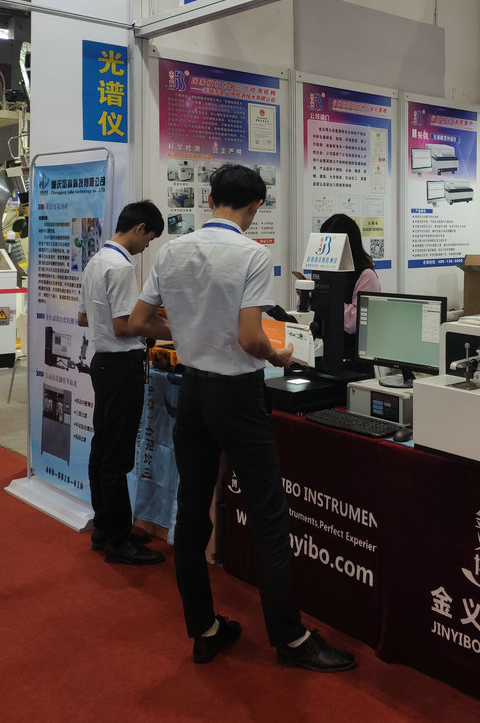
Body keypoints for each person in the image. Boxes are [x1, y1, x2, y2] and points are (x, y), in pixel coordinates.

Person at [128, 164, 356, 673]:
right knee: (268, 515)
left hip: (193, 392)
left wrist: (189, 331)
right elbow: (252, 338)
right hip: (238, 394)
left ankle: (204, 629)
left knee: (192, 511)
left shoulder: (171, 251)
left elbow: (140, 321)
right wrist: (280, 355)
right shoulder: (253, 254)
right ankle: (290, 638)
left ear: (210, 199)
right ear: (254, 207)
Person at [78, 200, 171, 565]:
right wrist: (174, 330)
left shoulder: (96, 261)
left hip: (103, 364)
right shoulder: (120, 266)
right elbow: (125, 325)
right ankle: (118, 540)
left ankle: (105, 527)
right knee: (116, 455)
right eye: (149, 238)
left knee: (103, 447)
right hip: (120, 366)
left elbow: (85, 318)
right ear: (139, 228)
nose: (147, 246)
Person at [318, 213, 380, 360]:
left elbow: (355, 323)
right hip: (324, 350)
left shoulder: (366, 275)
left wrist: (326, 299)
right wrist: (307, 297)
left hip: (352, 358)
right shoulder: (325, 270)